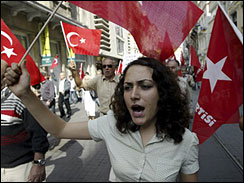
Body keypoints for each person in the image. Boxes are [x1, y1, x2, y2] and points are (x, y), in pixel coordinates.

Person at [4, 57, 199, 182]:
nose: (133, 94)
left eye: (145, 86)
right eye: (128, 87)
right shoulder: (112, 124)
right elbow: (60, 130)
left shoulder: (186, 142)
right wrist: (25, 94)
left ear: (163, 94)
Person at [1, 60, 49, 182]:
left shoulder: (20, 99)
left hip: (21, 169)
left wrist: (39, 164)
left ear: (5, 77)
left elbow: (39, 133)